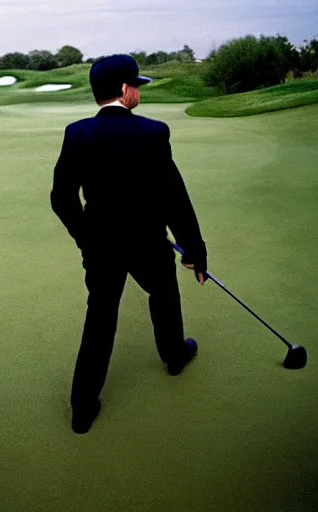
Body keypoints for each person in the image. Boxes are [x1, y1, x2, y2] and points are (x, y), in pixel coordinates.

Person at [50, 54, 208, 434]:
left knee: (101, 317)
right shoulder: (154, 133)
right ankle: (173, 355)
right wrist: (194, 249)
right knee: (164, 295)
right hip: (148, 243)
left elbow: (62, 198)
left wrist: (86, 238)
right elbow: (174, 198)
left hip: (101, 246)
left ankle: (83, 407)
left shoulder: (77, 133)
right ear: (124, 90)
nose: (139, 91)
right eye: (136, 85)